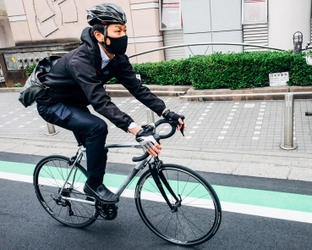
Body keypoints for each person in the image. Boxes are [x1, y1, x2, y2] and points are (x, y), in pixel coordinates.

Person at [35, 3, 185, 204]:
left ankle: (98, 200)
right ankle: (93, 185)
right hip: (52, 103)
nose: (123, 35)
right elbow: (100, 101)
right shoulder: (80, 59)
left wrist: (167, 112)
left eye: (124, 30)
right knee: (97, 128)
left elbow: (137, 88)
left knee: (97, 146)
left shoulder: (117, 58)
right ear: (99, 35)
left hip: (75, 103)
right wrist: (135, 130)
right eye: (117, 30)